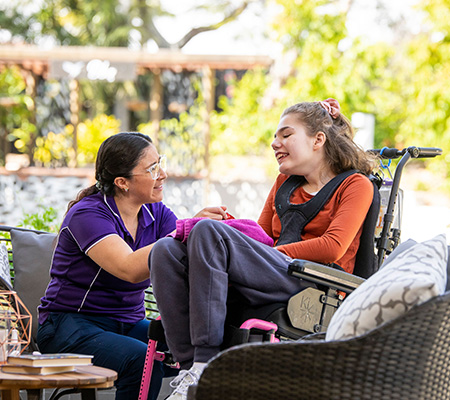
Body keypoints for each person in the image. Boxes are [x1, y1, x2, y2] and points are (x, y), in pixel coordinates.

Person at [149, 98, 378, 400]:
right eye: (275, 136)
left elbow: (333, 247)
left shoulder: (356, 185)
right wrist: (234, 234)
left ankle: (205, 362)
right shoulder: (284, 182)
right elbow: (262, 236)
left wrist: (267, 253)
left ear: (317, 140)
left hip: (315, 284)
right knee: (165, 250)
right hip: (272, 273)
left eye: (285, 135)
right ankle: (190, 369)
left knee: (207, 231)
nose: (274, 143)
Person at [36, 132, 227, 400]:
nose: (163, 174)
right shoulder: (88, 214)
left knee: (205, 350)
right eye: (152, 169)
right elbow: (128, 268)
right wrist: (187, 229)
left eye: (160, 162)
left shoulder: (156, 213)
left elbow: (182, 254)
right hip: (69, 325)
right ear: (122, 182)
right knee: (141, 360)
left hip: (128, 323)